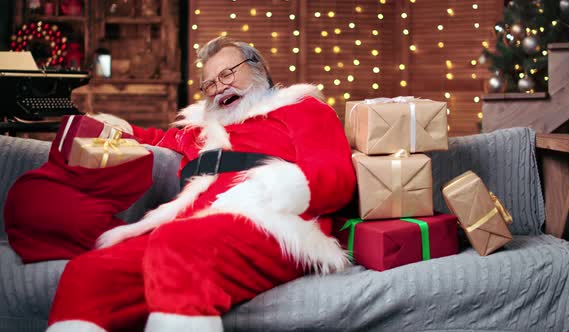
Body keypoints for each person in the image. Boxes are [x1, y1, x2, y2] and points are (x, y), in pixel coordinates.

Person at [46, 37, 356, 332]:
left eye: (227, 74)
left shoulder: (302, 109)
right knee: (88, 272)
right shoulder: (198, 130)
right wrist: (104, 129)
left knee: (176, 242)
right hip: (191, 231)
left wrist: (283, 188)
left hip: (274, 224)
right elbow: (153, 139)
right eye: (210, 83)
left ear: (257, 67)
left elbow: (335, 176)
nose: (220, 87)